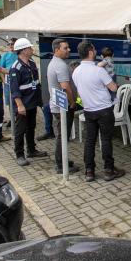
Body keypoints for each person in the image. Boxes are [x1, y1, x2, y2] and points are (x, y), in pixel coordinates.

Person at [72, 41, 125, 182]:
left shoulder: (76, 71)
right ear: (90, 52)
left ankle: (89, 171)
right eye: (94, 50)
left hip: (88, 110)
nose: (96, 52)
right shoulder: (98, 71)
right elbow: (113, 88)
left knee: (90, 141)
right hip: (104, 110)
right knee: (106, 140)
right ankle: (109, 170)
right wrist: (115, 85)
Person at [8, 38, 47, 166]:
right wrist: (20, 105)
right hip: (23, 105)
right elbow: (14, 89)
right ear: (24, 50)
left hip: (32, 102)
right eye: (30, 48)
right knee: (20, 130)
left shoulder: (31, 63)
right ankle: (19, 154)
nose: (32, 49)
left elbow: (36, 83)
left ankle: (31, 150)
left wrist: (39, 100)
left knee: (31, 127)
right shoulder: (15, 68)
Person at [46, 39, 79, 174]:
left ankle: (62, 160)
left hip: (58, 105)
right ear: (56, 50)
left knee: (62, 134)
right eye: (65, 48)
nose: (69, 50)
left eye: (68, 47)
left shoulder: (55, 63)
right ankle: (61, 165)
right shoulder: (60, 66)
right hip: (63, 107)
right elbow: (65, 87)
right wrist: (72, 103)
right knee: (63, 135)